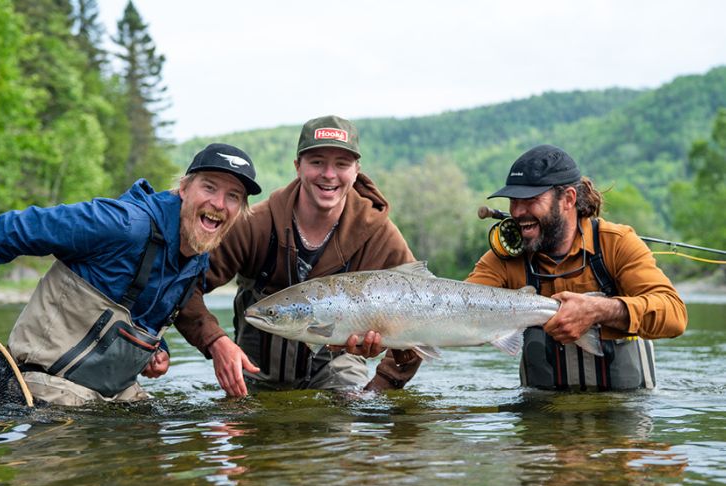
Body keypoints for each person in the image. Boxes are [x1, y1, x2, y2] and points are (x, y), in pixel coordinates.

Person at [0, 143, 261, 405]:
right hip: (41, 387)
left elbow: (139, 307)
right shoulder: (121, 225)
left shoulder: (198, 255)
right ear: (183, 189)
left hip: (111, 393)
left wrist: (154, 347)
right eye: (209, 187)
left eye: (233, 196)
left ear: (240, 210)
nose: (219, 203)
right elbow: (14, 229)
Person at [175, 115, 422, 396]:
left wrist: (379, 387)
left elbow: (424, 315)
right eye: (317, 162)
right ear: (298, 167)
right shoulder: (256, 225)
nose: (329, 174)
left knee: (347, 425)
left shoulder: (378, 235)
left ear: (356, 171)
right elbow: (182, 285)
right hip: (254, 375)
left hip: (340, 372)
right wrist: (214, 341)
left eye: (341, 164)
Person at [467, 144, 687, 390]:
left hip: (622, 414)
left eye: (530, 200)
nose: (517, 212)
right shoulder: (503, 259)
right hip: (543, 419)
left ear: (568, 199)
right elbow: (457, 309)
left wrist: (602, 310)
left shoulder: (616, 243)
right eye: (513, 201)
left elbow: (674, 315)